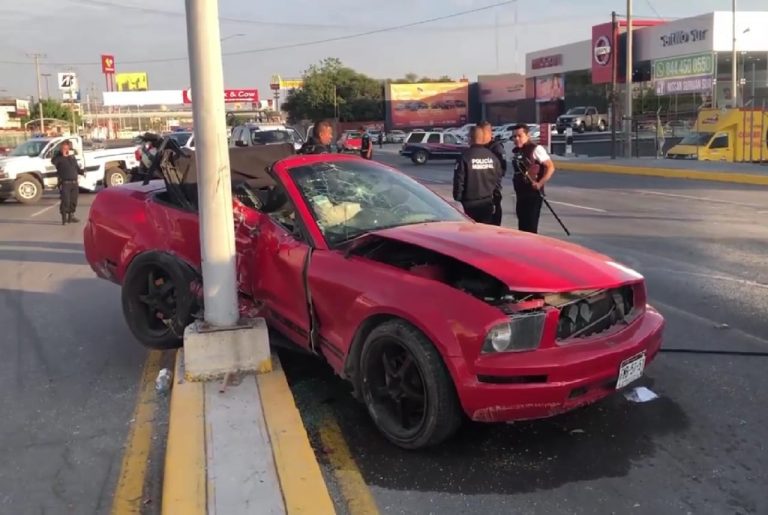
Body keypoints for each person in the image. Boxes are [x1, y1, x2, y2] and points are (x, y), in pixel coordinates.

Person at [510, 123, 555, 233]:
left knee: (530, 227)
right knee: (522, 226)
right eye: (514, 136)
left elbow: (550, 167)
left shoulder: (536, 149)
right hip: (521, 194)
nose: (516, 139)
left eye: (519, 136)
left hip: (533, 194)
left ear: (527, 136)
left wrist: (540, 183)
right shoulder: (517, 151)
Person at [452, 126, 503, 224]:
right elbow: (498, 180)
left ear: (470, 138)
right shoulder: (492, 157)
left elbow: (459, 181)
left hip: (469, 204)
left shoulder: (465, 157)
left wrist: (458, 200)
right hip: (487, 203)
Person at [478, 121, 507, 225]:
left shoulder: (496, 148)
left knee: (493, 224)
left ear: (489, 133)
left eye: (483, 132)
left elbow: (502, 170)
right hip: (479, 193)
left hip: (492, 192)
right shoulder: (479, 147)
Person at [51, 140, 84, 225]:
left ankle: (71, 215)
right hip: (65, 183)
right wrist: (60, 154)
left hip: (74, 183)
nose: (65, 150)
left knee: (74, 201)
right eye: (63, 148)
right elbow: (53, 161)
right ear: (61, 149)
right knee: (65, 201)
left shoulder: (72, 158)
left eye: (67, 148)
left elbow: (76, 168)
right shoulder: (58, 159)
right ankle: (64, 217)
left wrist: (82, 172)